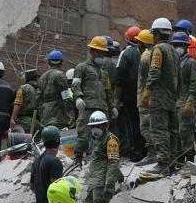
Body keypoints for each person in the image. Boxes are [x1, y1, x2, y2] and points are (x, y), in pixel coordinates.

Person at [141, 18, 179, 175]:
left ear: (156, 33)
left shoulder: (158, 50)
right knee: (172, 131)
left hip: (159, 97)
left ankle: (162, 163)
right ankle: (172, 164)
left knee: (158, 130)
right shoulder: (174, 52)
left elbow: (154, 70)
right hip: (172, 97)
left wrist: (147, 90)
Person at [72, 37, 118, 165]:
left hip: (102, 107)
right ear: (92, 51)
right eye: (99, 51)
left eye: (103, 52)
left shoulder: (104, 72)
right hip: (88, 106)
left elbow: (108, 91)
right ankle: (78, 159)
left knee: (104, 136)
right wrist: (78, 97)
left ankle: (101, 160)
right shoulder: (81, 67)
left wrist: (112, 106)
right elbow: (76, 84)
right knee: (84, 135)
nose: (101, 55)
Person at [79, 111, 122, 203]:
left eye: (97, 126)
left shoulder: (110, 140)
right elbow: (106, 159)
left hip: (101, 184)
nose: (94, 129)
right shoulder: (98, 139)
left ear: (106, 125)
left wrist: (110, 185)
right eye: (92, 126)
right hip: (93, 183)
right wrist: (119, 174)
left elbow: (113, 162)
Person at [170, 32, 196, 162]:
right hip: (174, 102)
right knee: (175, 132)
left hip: (185, 102)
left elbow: (195, 84)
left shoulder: (190, 63)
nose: (177, 48)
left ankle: (189, 158)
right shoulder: (173, 63)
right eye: (175, 45)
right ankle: (178, 158)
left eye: (180, 45)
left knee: (186, 131)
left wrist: (191, 102)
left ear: (186, 46)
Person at [115, 26, 143, 161]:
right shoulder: (145, 51)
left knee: (132, 124)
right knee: (141, 122)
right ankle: (143, 150)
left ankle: (135, 151)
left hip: (129, 94)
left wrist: (117, 99)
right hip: (142, 93)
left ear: (127, 39)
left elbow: (120, 78)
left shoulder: (126, 53)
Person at [134, 30, 156, 167]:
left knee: (146, 126)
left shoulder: (145, 57)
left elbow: (143, 79)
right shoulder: (155, 54)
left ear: (141, 43)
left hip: (145, 97)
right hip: (156, 97)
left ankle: (152, 154)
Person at [31, 126, 64, 203]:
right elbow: (56, 187)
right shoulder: (55, 161)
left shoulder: (36, 161)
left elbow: (32, 186)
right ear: (58, 141)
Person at [38, 50, 73, 129]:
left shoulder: (41, 77)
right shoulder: (60, 75)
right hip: (58, 116)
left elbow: (38, 99)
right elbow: (65, 96)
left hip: (45, 116)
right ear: (61, 62)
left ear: (48, 62)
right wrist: (71, 112)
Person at [10, 69, 40, 133]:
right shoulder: (40, 89)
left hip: (24, 122)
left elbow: (18, 103)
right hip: (37, 123)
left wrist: (13, 118)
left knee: (24, 142)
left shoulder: (23, 88)